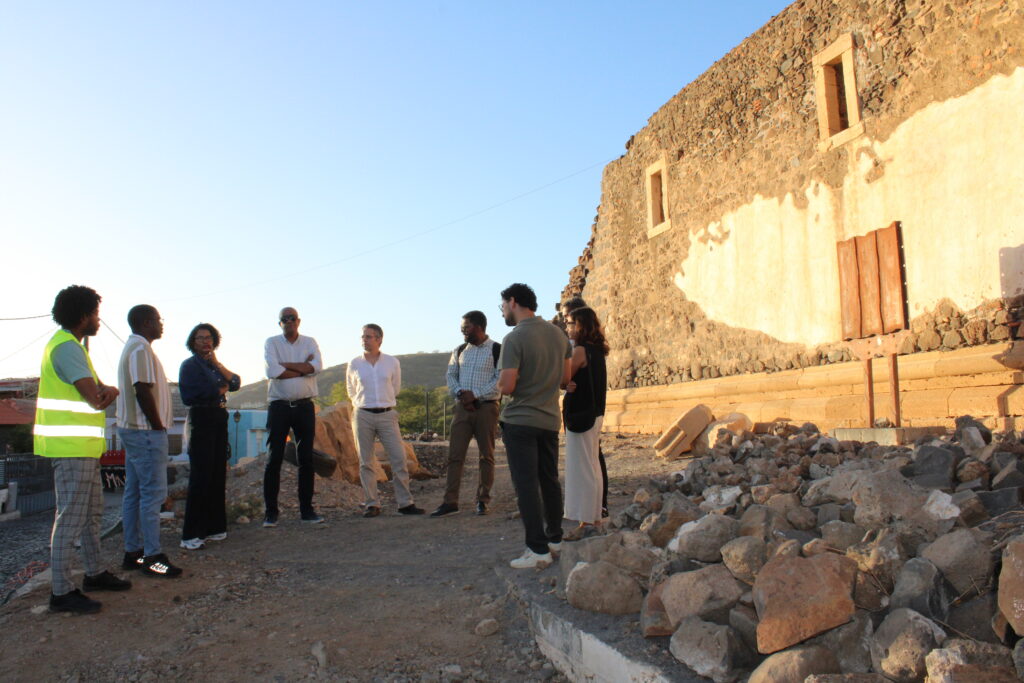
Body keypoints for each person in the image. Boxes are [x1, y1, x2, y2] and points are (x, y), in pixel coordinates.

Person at [34, 285, 131, 614]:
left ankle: (95, 573)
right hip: (71, 448)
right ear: (82, 316)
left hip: (82, 449)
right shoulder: (67, 348)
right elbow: (96, 398)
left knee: (91, 515)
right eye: (95, 314)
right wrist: (113, 392)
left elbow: (90, 389)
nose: (98, 320)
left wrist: (103, 389)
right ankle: (61, 592)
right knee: (71, 519)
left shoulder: (70, 346)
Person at [497, 283, 572, 569]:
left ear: (513, 302)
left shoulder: (514, 338)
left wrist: (499, 384)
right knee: (549, 480)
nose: (503, 310)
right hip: (550, 419)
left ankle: (537, 550)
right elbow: (565, 380)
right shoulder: (558, 335)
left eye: (503, 305)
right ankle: (555, 539)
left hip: (520, 421)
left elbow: (508, 385)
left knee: (526, 486)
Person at [116, 304, 182, 578]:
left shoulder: (135, 348)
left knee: (134, 493)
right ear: (145, 323)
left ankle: (133, 553)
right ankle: (152, 557)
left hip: (134, 430)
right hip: (145, 432)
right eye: (157, 319)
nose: (161, 324)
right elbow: (142, 390)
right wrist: (157, 426)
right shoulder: (141, 349)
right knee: (153, 494)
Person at [347, 324, 424, 517]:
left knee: (398, 458)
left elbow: (395, 388)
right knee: (366, 461)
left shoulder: (392, 362)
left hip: (387, 414)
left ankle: (405, 503)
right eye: (363, 337)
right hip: (363, 414)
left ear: (379, 339)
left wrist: (383, 401)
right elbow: (351, 390)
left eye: (369, 337)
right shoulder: (354, 363)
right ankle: (372, 504)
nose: (365, 340)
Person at [431, 311, 501, 517]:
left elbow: (499, 379)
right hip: (462, 408)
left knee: (486, 456)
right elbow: (451, 375)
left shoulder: (497, 350)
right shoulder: (460, 350)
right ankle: (450, 501)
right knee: (455, 456)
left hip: (486, 407)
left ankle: (483, 500)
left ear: (479, 327)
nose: (462, 331)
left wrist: (475, 395)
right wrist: (462, 394)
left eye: (466, 327)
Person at [178, 323, 241, 549]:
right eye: (200, 338)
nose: (205, 341)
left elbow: (235, 382)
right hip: (201, 419)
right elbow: (190, 395)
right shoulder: (189, 366)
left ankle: (215, 528)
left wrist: (218, 366)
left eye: (209, 337)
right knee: (201, 476)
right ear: (192, 342)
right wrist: (219, 390)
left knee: (216, 475)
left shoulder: (214, 366)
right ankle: (192, 534)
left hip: (218, 418)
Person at [263, 307, 324, 526]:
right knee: (274, 458)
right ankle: (271, 512)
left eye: (292, 318)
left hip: (304, 407)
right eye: (284, 319)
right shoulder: (272, 343)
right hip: (279, 407)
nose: (288, 322)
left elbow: (318, 367)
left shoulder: (310, 342)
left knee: (306, 459)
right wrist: (303, 368)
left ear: (298, 321)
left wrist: (286, 365)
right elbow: (273, 371)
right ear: (280, 323)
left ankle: (306, 510)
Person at [561, 307, 609, 540]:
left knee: (582, 470)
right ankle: (595, 518)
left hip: (581, 414)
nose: (567, 327)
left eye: (570, 323)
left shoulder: (579, 351)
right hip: (595, 413)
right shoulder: (596, 350)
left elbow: (563, 378)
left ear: (580, 325)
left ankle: (587, 521)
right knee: (593, 468)